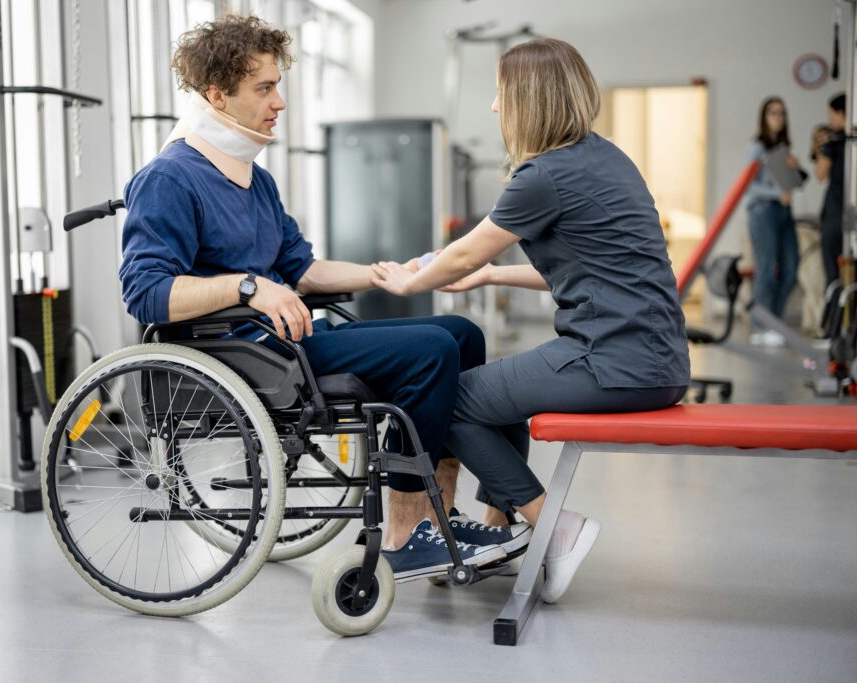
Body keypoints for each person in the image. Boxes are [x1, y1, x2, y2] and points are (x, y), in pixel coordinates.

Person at [118, 15, 530, 581]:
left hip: (285, 340)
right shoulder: (170, 177)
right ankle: (408, 530)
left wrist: (383, 273)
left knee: (463, 334)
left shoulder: (254, 179)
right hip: (239, 357)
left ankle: (440, 512)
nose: (279, 102)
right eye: (264, 88)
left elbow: (302, 269)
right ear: (216, 95)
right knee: (432, 349)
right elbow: (146, 292)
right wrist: (248, 286)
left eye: (277, 86)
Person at [371, 38, 690, 602]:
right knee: (499, 390)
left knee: (453, 398)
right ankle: (499, 534)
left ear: (527, 100)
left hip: (610, 360)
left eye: (499, 94)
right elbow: (588, 271)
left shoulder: (543, 175)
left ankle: (552, 525)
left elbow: (464, 250)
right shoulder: (606, 157)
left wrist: (409, 281)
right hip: (655, 359)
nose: (495, 107)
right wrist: (493, 277)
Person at [744, 97, 802, 347]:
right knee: (767, 270)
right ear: (764, 117)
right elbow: (749, 186)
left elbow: (793, 184)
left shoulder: (784, 148)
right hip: (763, 211)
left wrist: (795, 170)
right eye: (773, 113)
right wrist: (776, 195)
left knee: (791, 268)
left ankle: (773, 322)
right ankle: (761, 327)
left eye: (782, 113)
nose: (779, 117)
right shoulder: (757, 148)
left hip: (783, 212)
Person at [814, 93, 845, 286]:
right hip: (851, 213)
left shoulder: (833, 141)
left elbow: (820, 174)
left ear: (840, 113)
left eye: (831, 114)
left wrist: (820, 148)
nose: (829, 119)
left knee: (833, 274)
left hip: (835, 214)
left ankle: (835, 314)